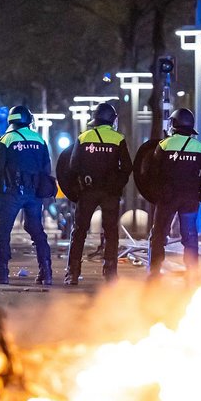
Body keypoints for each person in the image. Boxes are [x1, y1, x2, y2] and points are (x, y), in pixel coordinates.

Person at [64, 103, 133, 285]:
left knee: (79, 231)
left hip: (88, 191)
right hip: (110, 194)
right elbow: (127, 167)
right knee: (111, 232)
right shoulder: (118, 139)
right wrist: (117, 184)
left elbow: (73, 166)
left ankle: (73, 273)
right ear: (112, 119)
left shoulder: (84, 137)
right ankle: (110, 273)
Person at [0, 105, 54, 286]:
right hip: (34, 193)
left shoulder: (6, 139)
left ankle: (2, 273)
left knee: (2, 232)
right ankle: (46, 272)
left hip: (13, 192)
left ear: (11, 120)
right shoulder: (39, 139)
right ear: (28, 120)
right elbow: (47, 169)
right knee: (36, 229)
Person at [146, 108, 201, 282]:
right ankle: (192, 271)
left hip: (167, 199)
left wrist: (159, 191)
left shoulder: (164, 145)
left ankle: (154, 271)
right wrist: (196, 188)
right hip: (190, 199)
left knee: (159, 234)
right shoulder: (199, 147)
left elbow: (152, 172)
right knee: (189, 236)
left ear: (173, 124)